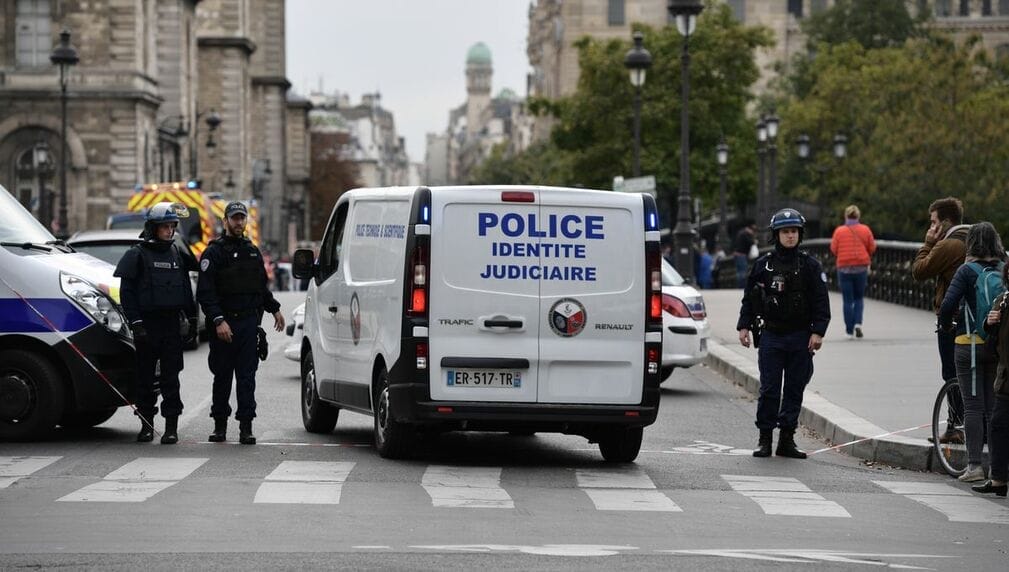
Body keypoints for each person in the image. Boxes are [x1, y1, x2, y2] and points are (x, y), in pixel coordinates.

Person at [737, 208, 830, 459]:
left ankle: (786, 439)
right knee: (769, 389)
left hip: (800, 336)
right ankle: (765, 439)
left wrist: (818, 332)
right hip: (772, 335)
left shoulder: (810, 266)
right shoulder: (763, 265)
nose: (790, 236)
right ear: (776, 235)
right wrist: (744, 326)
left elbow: (821, 301)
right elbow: (749, 298)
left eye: (794, 232)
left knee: (794, 388)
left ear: (800, 234)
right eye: (785, 232)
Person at [197, 201, 285, 445]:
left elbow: (260, 288)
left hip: (247, 325)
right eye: (234, 218)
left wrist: (274, 309)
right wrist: (218, 320)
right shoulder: (214, 252)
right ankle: (220, 426)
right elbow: (206, 293)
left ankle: (246, 426)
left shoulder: (252, 251)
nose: (238, 222)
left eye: (242, 218)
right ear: (225, 221)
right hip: (224, 325)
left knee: (247, 378)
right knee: (223, 377)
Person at [114, 202, 198, 444]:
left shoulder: (176, 254)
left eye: (172, 226)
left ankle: (171, 427)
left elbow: (185, 290)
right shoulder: (136, 255)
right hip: (147, 326)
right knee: (145, 379)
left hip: (171, 325)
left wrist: (191, 320)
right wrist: (137, 323)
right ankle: (147, 425)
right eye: (165, 227)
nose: (170, 231)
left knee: (171, 379)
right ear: (153, 228)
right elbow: (127, 293)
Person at [938, 222, 1006, 482]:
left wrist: (946, 327)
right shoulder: (1004, 268)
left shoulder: (966, 271)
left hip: (969, 343)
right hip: (997, 345)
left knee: (973, 407)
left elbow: (947, 306)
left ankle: (975, 466)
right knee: (994, 406)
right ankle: (998, 467)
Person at [912, 197, 970, 444]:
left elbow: (920, 270)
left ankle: (955, 426)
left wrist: (928, 243)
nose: (932, 226)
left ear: (945, 222)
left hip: (953, 318)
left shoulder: (949, 245)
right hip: (977, 317)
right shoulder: (975, 239)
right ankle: (978, 427)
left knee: (952, 373)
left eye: (934, 222)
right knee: (976, 374)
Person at [976, 264, 1009, 497]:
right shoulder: (1004, 298)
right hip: (1006, 376)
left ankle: (998, 478)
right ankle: (998, 479)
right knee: (998, 425)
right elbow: (987, 329)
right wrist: (990, 321)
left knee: (999, 424)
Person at [829, 205, 876, 339]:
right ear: (858, 216)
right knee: (859, 298)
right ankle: (858, 324)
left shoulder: (839, 231)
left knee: (847, 300)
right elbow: (872, 247)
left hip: (844, 267)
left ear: (846, 216)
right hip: (861, 266)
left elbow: (833, 248)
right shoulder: (865, 230)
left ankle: (849, 331)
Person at [732, 223, 757, 288]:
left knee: (739, 271)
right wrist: (754, 239)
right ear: (748, 229)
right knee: (743, 271)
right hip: (741, 255)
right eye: (752, 230)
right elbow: (751, 242)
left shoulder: (740, 233)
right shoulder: (745, 234)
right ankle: (741, 286)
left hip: (737, 254)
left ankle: (739, 286)